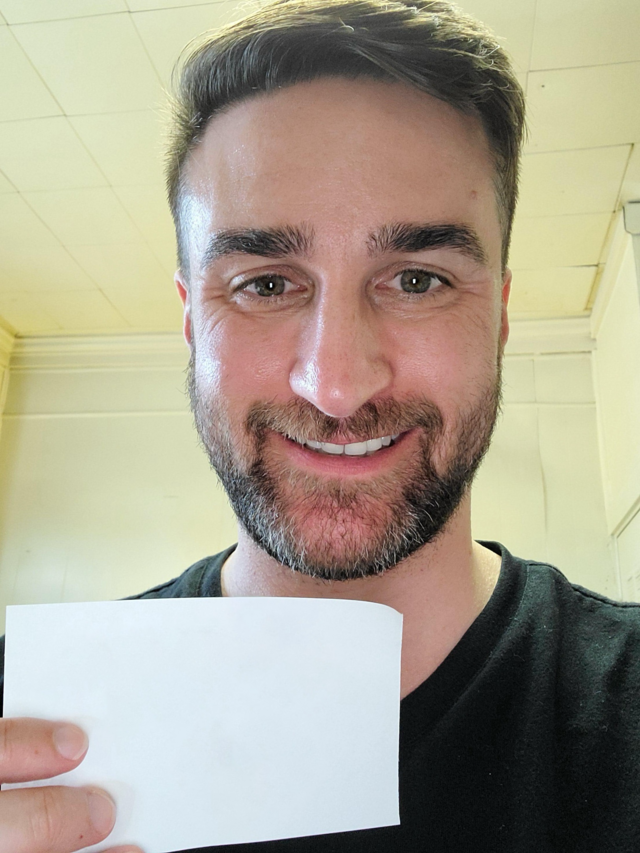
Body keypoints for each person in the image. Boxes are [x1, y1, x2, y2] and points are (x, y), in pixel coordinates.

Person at [1, 0, 639, 851]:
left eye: (418, 280)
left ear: (500, 316)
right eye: (265, 284)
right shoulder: (22, 731)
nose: (336, 385)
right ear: (192, 322)